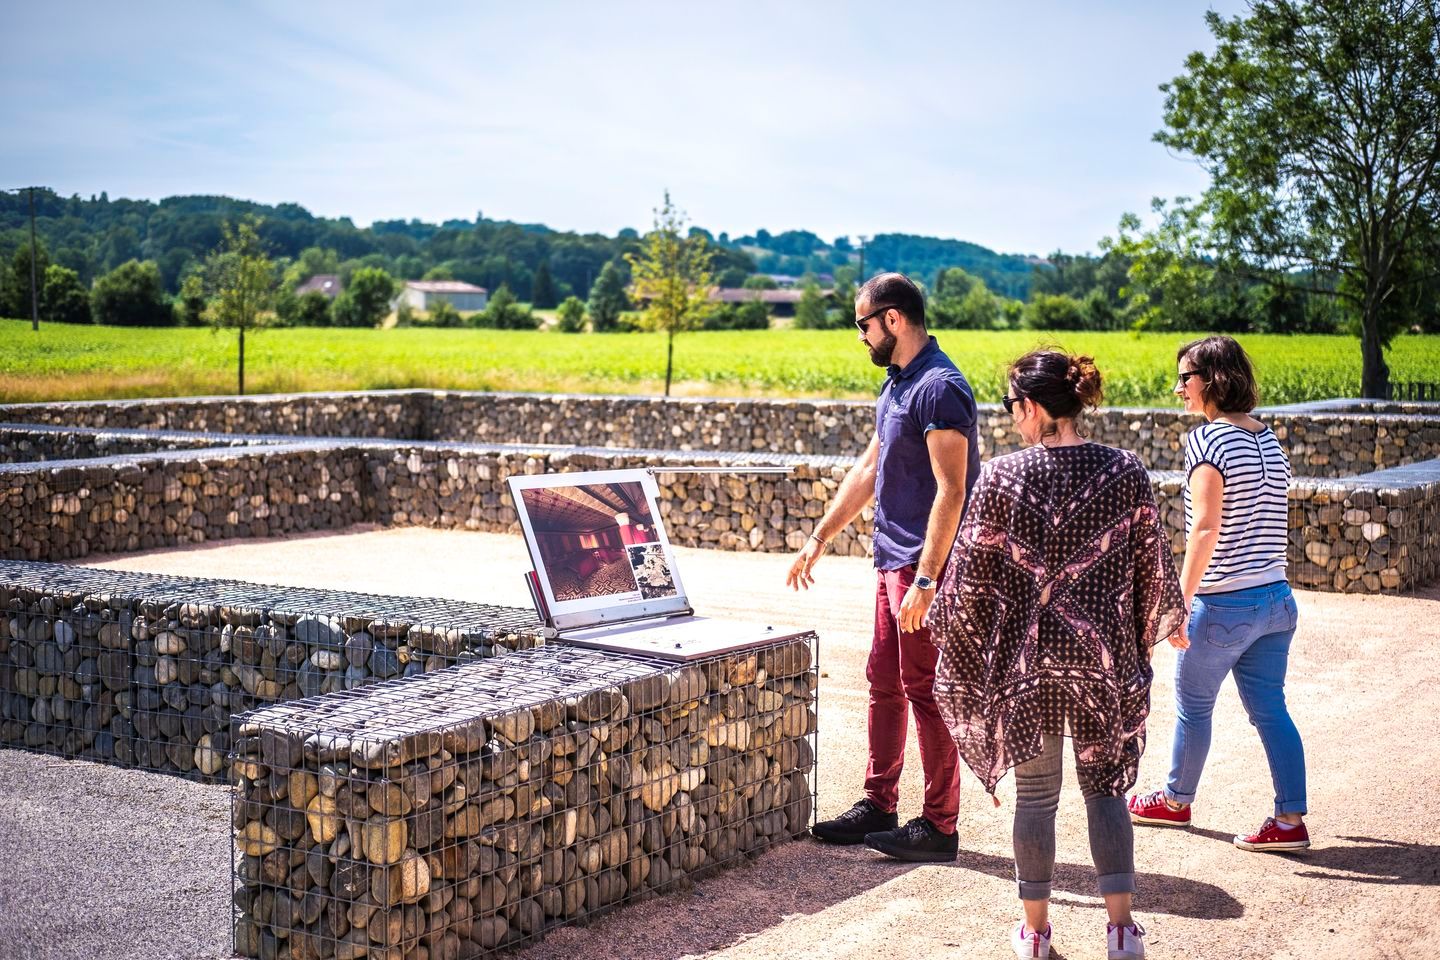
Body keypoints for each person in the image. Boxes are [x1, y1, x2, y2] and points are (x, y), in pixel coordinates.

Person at [929, 350, 1184, 960]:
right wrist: (1158, 623)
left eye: (1012, 407)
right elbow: (1152, 563)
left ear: (1035, 407)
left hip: (1029, 666)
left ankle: (1036, 934)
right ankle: (1122, 932)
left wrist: (947, 628)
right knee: (1105, 792)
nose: (1011, 419)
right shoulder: (1125, 471)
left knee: (1036, 799)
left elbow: (970, 577)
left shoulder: (1002, 477)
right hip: (1101, 662)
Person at [787, 272, 980, 863]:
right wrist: (819, 537)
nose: (861, 337)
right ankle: (879, 803)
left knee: (925, 690)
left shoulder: (940, 388)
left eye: (862, 325)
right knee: (883, 682)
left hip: (925, 567)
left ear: (893, 319)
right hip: (891, 561)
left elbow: (953, 490)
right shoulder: (897, 386)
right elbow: (868, 472)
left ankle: (940, 826)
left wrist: (926, 579)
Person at [1128, 335, 1309, 852]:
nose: (1178, 387)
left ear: (1212, 379)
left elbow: (1205, 529)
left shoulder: (1209, 441)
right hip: (1276, 599)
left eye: (1186, 377)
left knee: (1192, 707)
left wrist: (1179, 604)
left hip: (1224, 603)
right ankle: (1290, 820)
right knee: (1271, 709)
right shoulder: (1267, 437)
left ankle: (1174, 800)